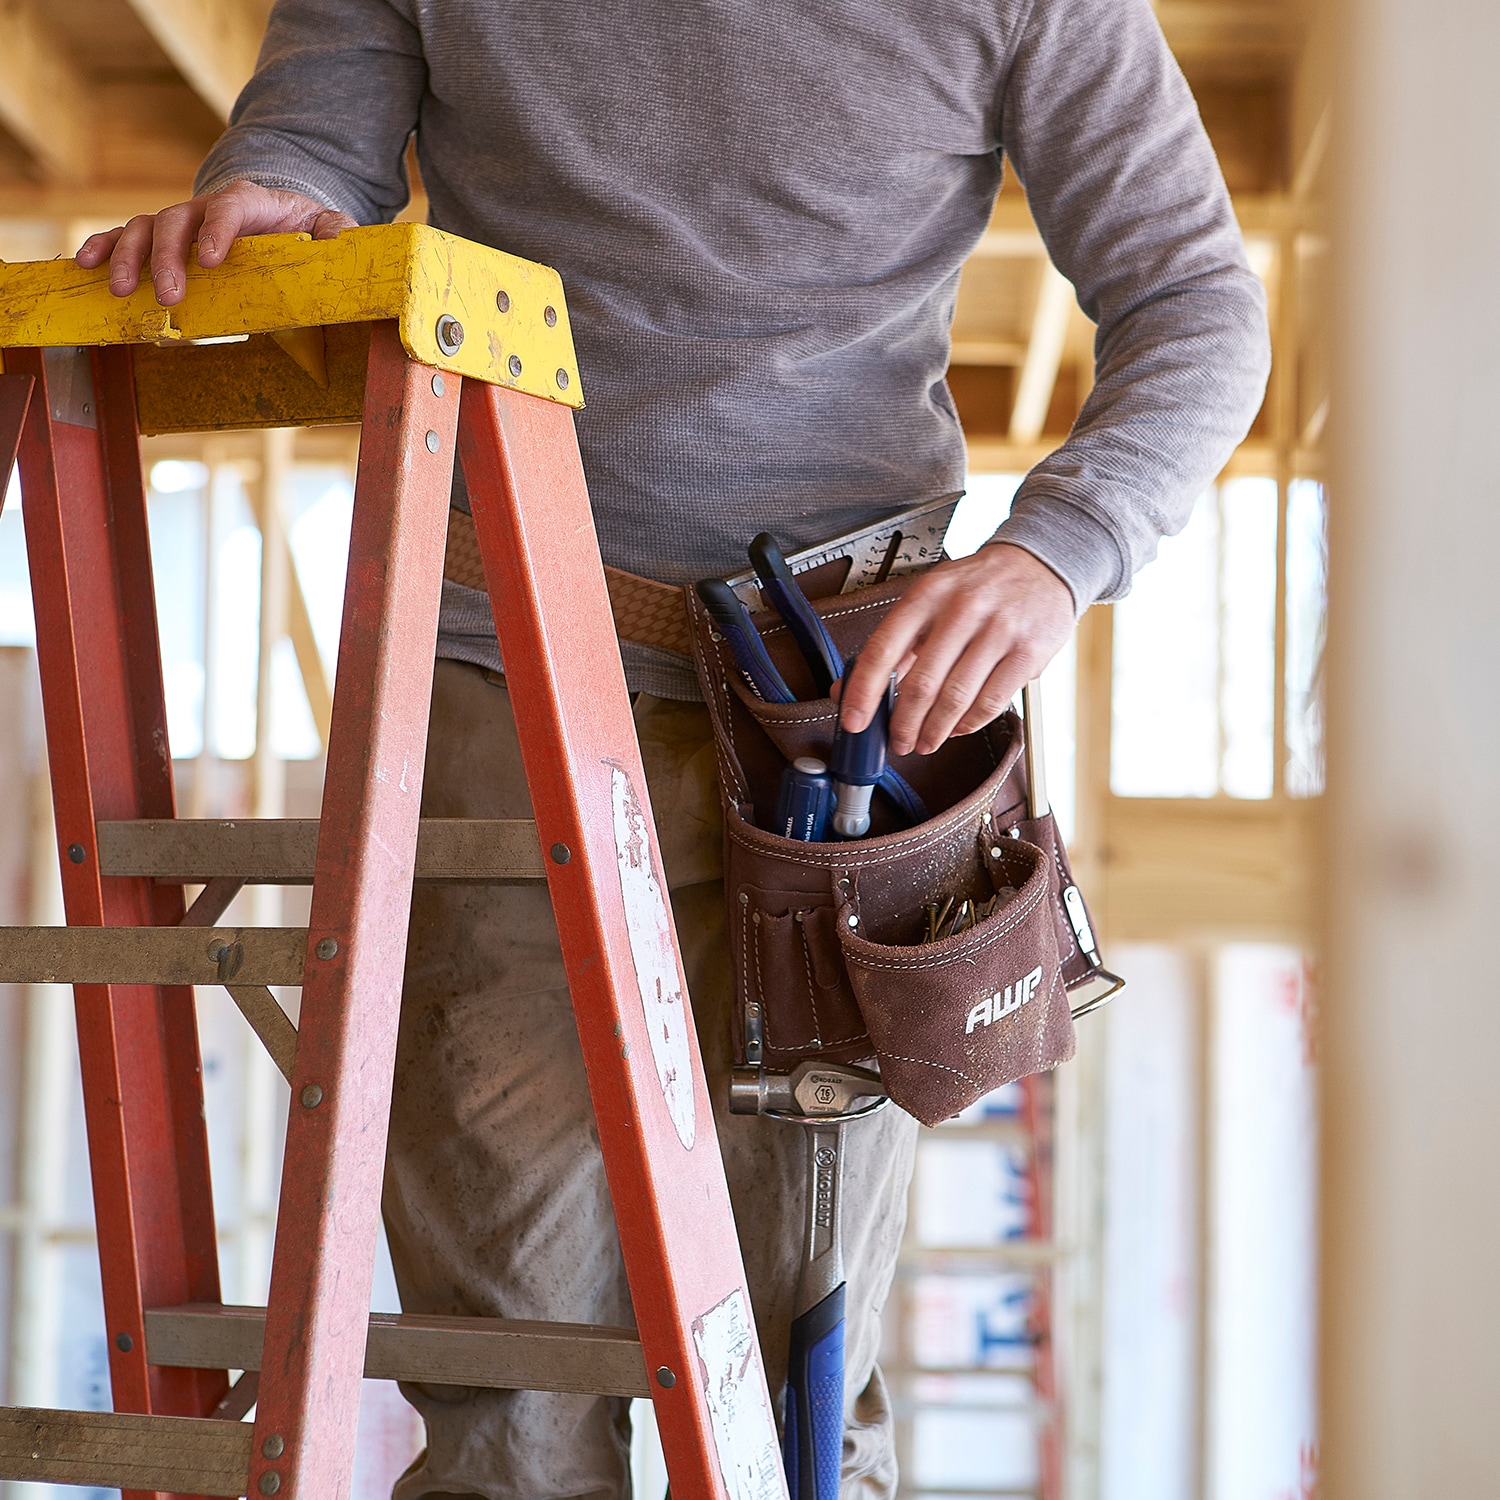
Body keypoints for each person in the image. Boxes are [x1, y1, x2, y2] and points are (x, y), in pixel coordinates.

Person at [79, 2, 1269, 1495]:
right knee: (507, 1384)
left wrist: (1060, 551)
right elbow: (318, 143)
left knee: (799, 1397)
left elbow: (1199, 306)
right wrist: (271, 202)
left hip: (849, 731)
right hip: (501, 662)